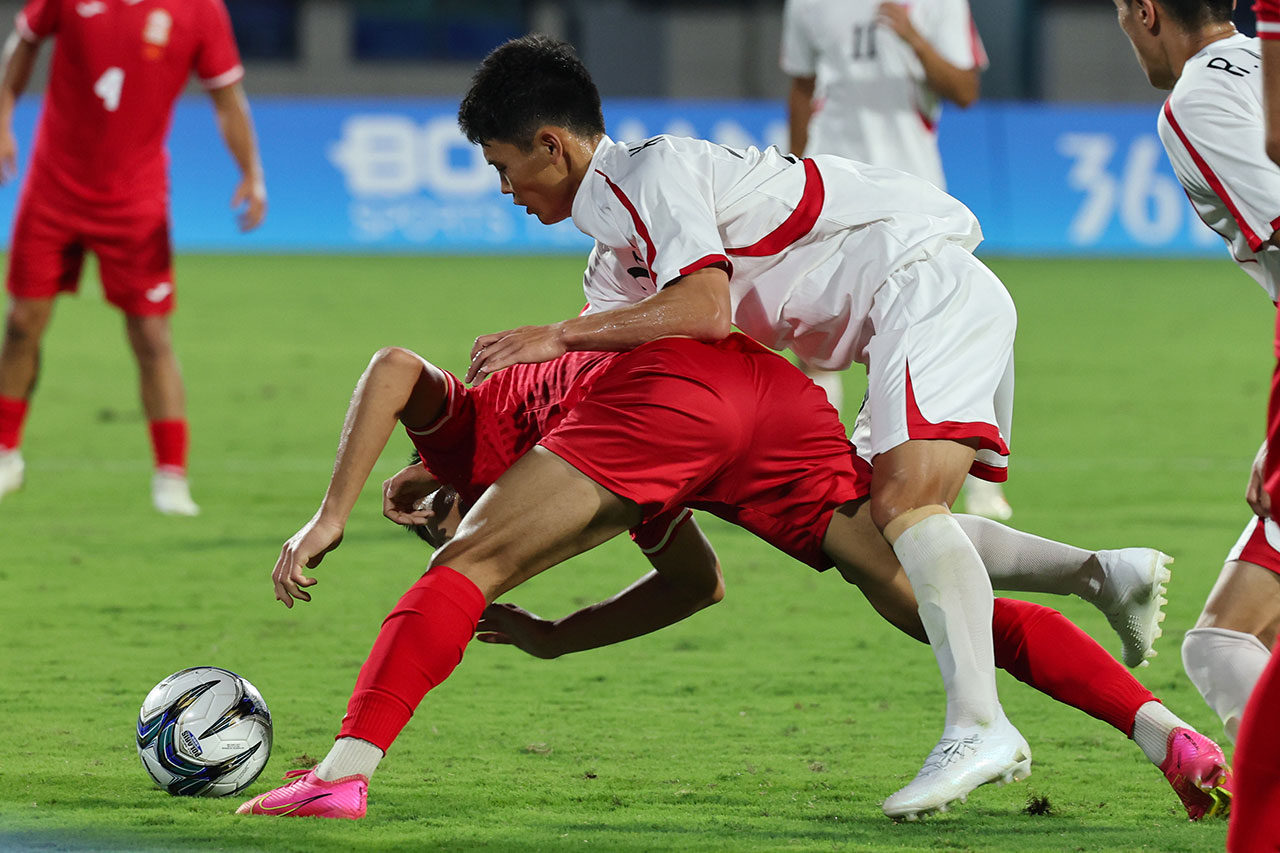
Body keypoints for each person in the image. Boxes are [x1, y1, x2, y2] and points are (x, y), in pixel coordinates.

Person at [237, 339, 1228, 821]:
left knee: (469, 567)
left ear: (434, 484)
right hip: (759, 398)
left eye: (442, 505)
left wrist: (329, 510)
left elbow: (393, 365)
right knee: (921, 590)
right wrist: (553, 635)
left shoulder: (472, 433)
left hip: (675, 394)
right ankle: (1164, 731)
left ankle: (343, 775)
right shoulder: (596, 472)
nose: (465, 513)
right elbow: (692, 584)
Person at [457, 35, 1022, 817]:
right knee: (892, 524)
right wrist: (450, 449)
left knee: (902, 512)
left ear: (550, 146)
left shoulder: (650, 175)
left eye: (500, 167)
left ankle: (981, 724)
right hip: (899, 308)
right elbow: (585, 374)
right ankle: (1097, 573)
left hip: (921, 281)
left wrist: (554, 334)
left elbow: (705, 311)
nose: (504, 188)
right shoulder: (614, 245)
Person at [1114, 0, 1280, 845]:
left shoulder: (1202, 101)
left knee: (1222, 644)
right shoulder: (1267, 66)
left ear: (1147, 11)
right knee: (1228, 636)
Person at [0, 0, 266, 515]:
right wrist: (5, 110)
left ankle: (171, 478)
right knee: (22, 322)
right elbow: (25, 41)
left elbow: (227, 98)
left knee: (150, 335)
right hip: (53, 188)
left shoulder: (199, 11)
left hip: (134, 200)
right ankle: (6, 453)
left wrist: (251, 172)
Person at [777, 0, 1010, 521]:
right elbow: (801, 84)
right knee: (810, 335)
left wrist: (913, 37)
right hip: (834, 185)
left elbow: (965, 91)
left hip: (916, 194)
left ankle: (981, 488)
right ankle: (817, 478)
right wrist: (794, 177)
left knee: (945, 340)